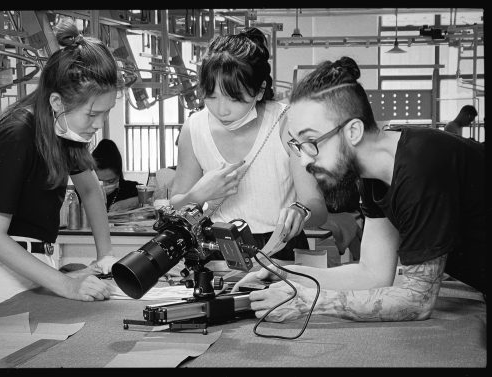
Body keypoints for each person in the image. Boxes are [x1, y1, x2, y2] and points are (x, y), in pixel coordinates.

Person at [234, 56, 486, 322]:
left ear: (353, 131)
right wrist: (289, 274)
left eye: (311, 141)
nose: (305, 160)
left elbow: (417, 300)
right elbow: (372, 273)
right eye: (297, 146)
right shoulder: (375, 175)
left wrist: (309, 301)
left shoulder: (421, 166)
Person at [0, 18, 123, 321]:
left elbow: (90, 189)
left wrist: (105, 257)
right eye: (92, 114)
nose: (98, 125)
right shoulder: (18, 135)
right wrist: (67, 284)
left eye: (105, 114)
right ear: (57, 101)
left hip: (35, 267)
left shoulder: (64, 132)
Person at [170, 27, 327, 263]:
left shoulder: (287, 123)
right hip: (218, 251)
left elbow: (317, 206)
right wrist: (198, 194)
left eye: (235, 98)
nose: (221, 110)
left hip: (280, 250)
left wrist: (300, 211)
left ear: (260, 90)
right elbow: (175, 209)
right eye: (211, 96)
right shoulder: (194, 128)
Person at [92, 138, 139, 212]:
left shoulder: (130, 189)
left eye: (110, 181)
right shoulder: (80, 192)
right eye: (99, 181)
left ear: (119, 174)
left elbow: (154, 197)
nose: (105, 185)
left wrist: (133, 202)